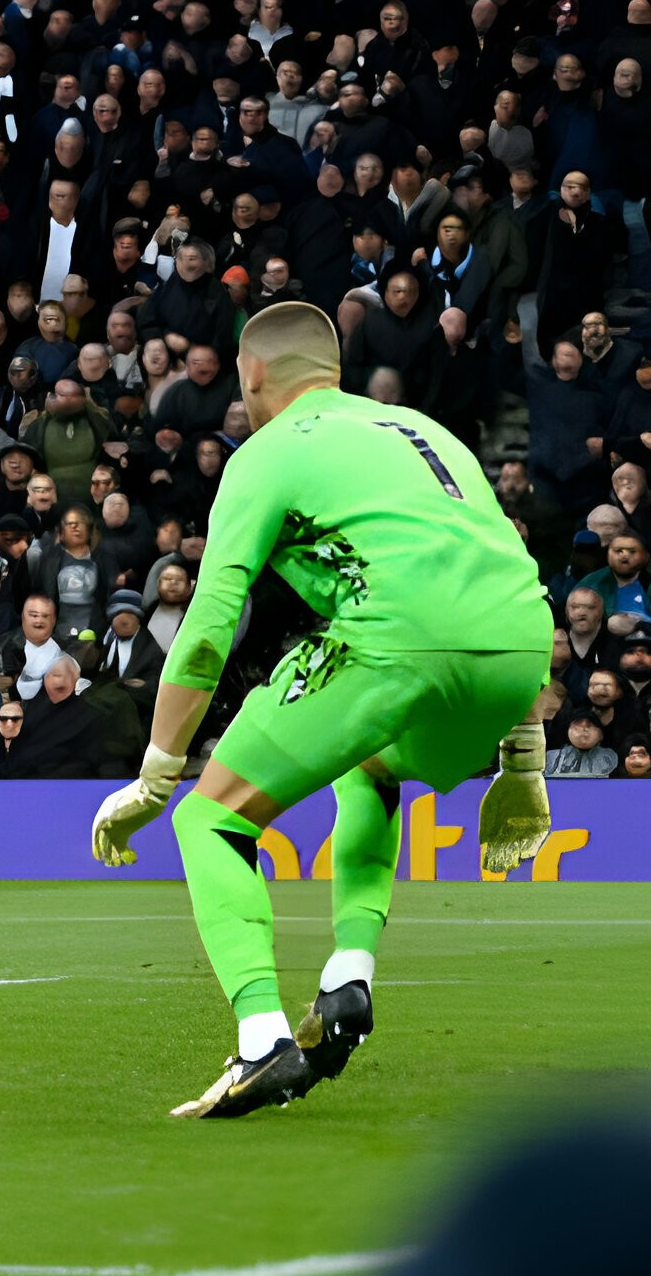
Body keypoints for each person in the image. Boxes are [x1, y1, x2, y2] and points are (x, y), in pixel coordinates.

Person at [92, 304, 556, 1118]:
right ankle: (349, 975)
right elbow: (497, 570)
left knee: (210, 822)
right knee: (368, 764)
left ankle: (261, 1039)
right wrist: (524, 759)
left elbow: (206, 628)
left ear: (255, 378)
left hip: (395, 640)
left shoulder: (268, 453)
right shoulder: (426, 431)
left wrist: (158, 773)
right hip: (522, 652)